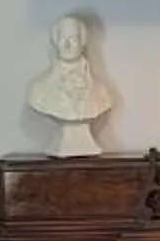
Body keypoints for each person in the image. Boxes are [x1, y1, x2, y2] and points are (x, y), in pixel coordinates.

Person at [26, 14, 114, 154]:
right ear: (56, 43)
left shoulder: (102, 91)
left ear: (82, 43)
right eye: (63, 39)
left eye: (73, 39)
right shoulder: (38, 89)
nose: (67, 45)